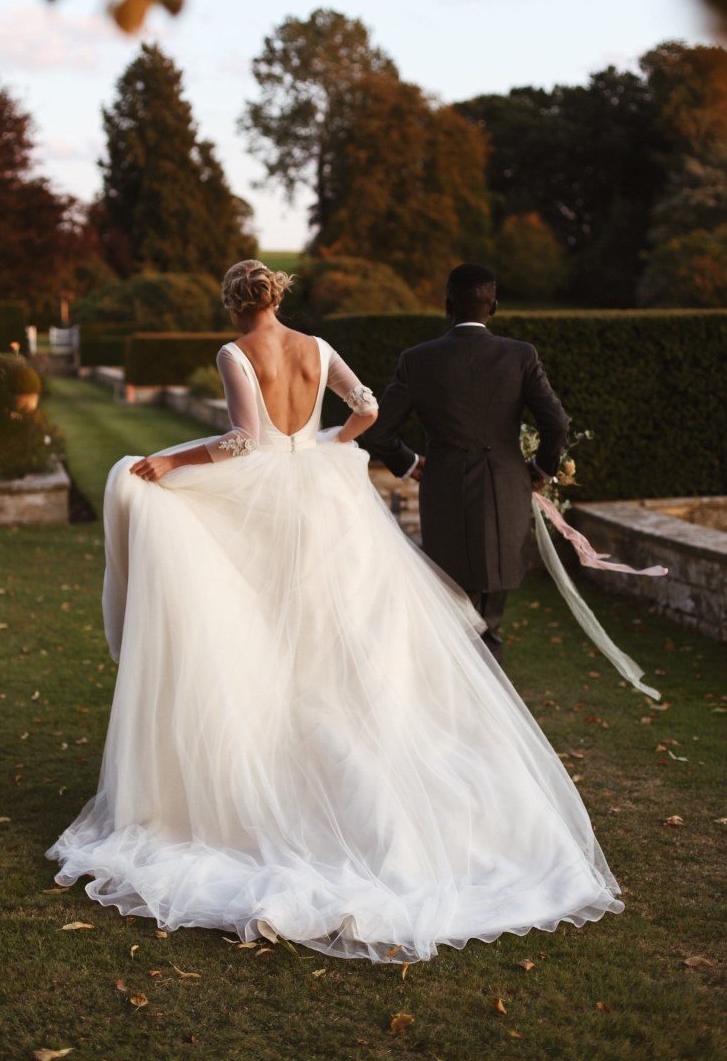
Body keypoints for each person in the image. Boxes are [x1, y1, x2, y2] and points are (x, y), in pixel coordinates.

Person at [45, 259, 622, 964]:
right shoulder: (317, 349)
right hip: (323, 495)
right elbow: (369, 410)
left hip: (270, 495)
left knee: (266, 616)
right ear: (276, 297)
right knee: (334, 621)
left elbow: (239, 442)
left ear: (233, 306)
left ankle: (280, 754)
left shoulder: (234, 353)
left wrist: (170, 464)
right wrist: (324, 446)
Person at [364, 263, 569, 664]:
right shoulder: (521, 355)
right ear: (493, 305)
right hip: (505, 496)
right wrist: (538, 472)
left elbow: (377, 432)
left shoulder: (416, 360)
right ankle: (489, 715)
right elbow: (557, 425)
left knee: (451, 618)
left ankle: (462, 714)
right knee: (489, 622)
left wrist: (409, 463)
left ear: (447, 306)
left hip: (444, 497)